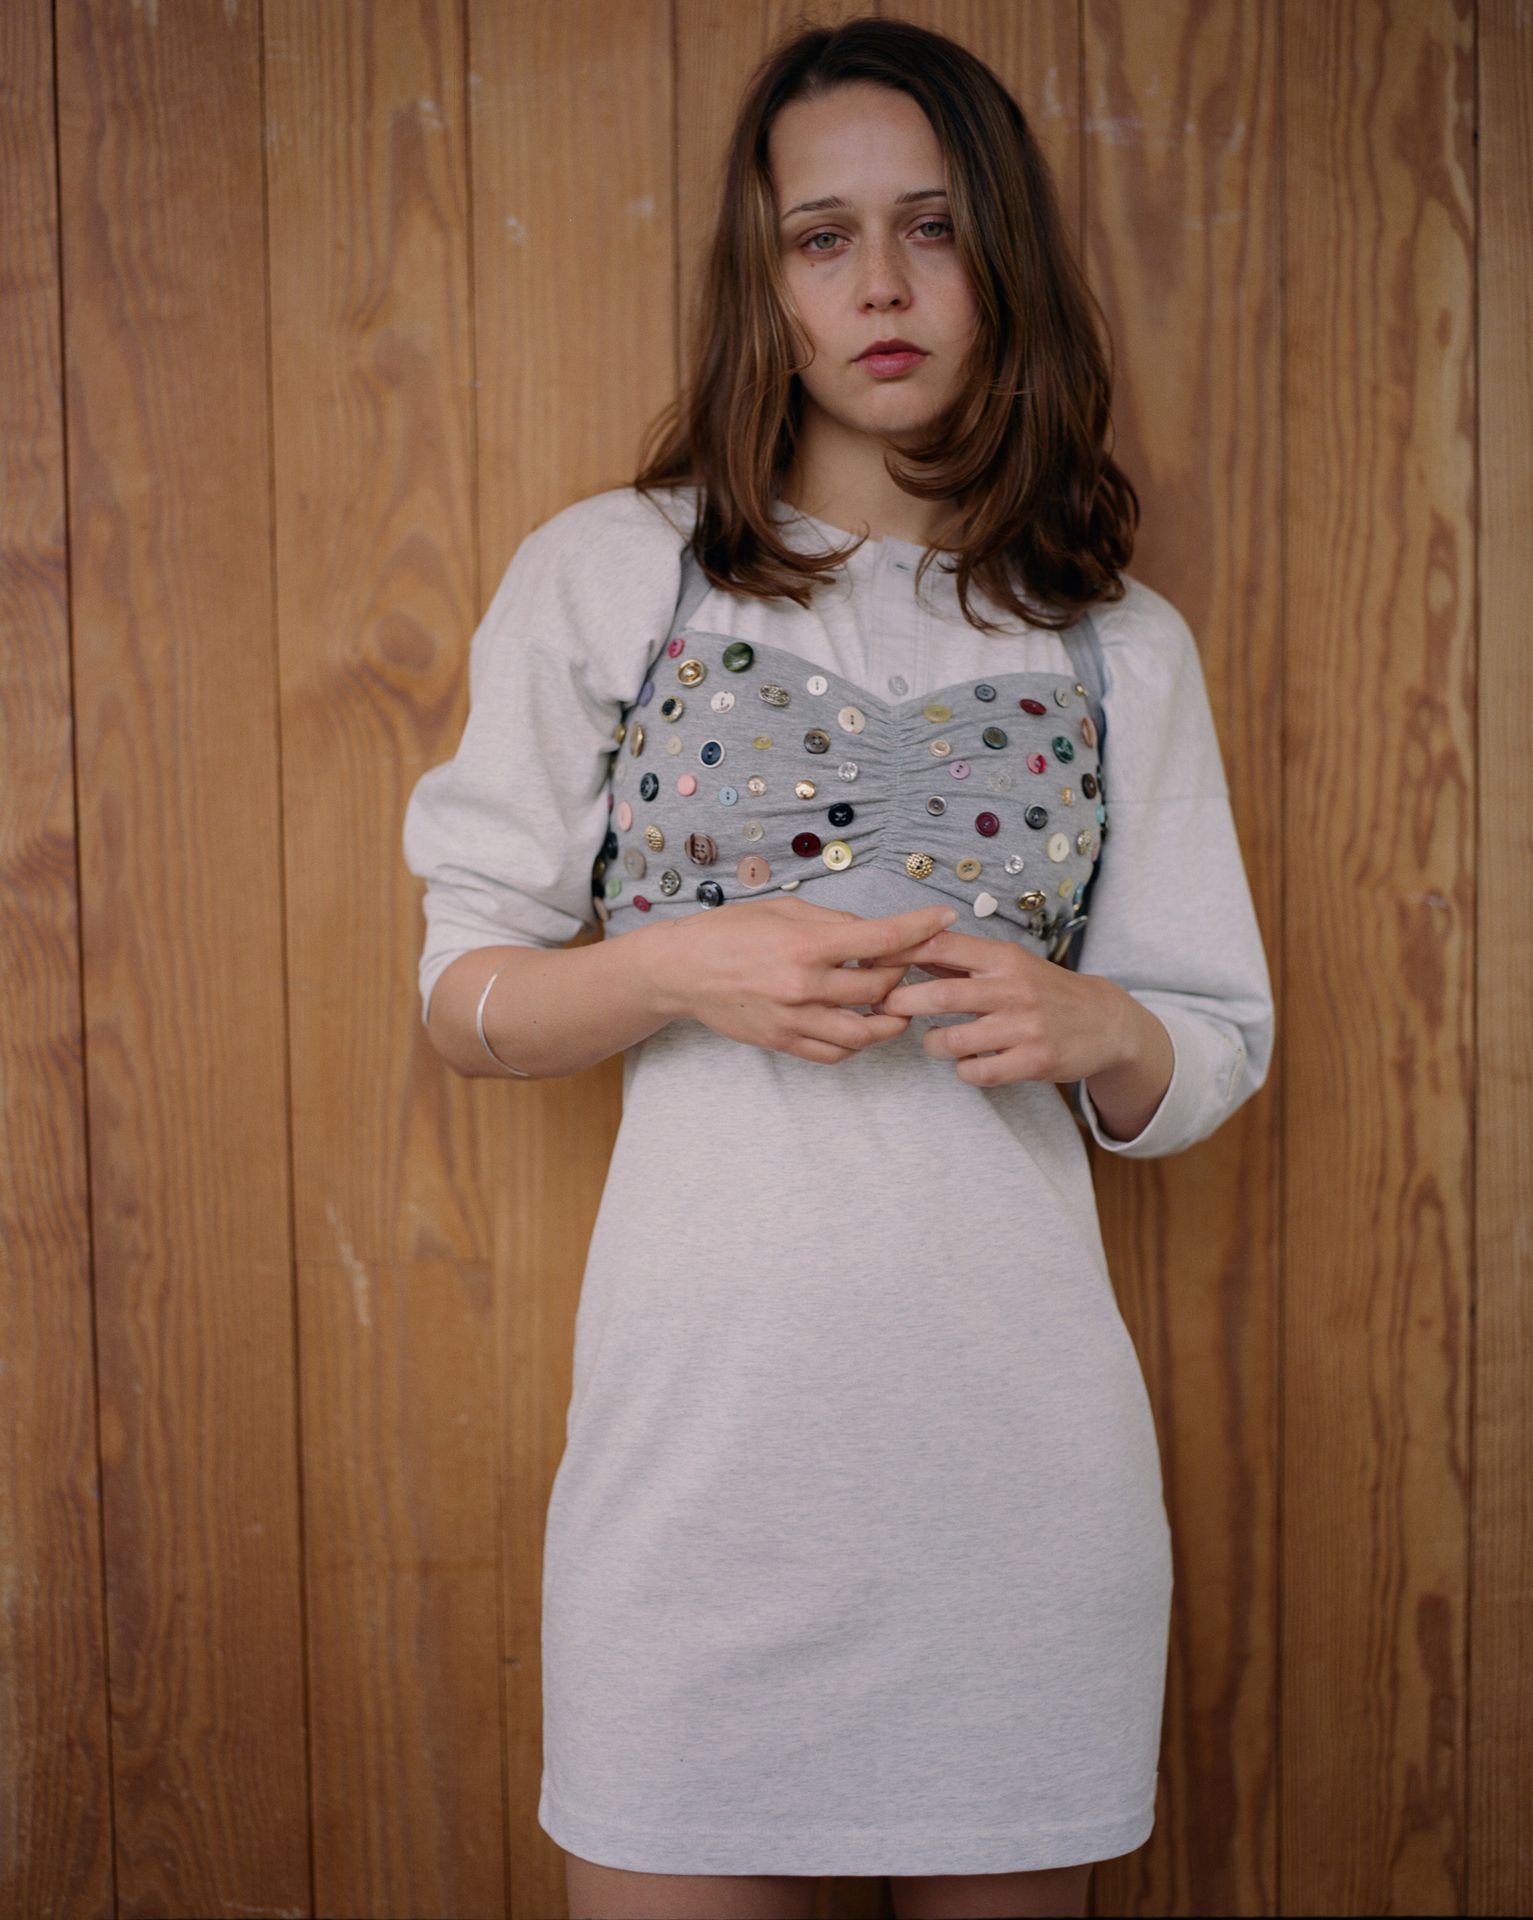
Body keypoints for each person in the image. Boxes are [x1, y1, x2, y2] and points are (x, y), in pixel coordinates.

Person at [402, 16, 1273, 1920]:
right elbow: (462, 994)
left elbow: (1211, 1041)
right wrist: (674, 971)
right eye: (822, 236)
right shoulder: (616, 571)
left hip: (1019, 1489)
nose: (879, 282)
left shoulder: (1115, 641)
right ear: (765, 278)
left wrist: (1098, 1025)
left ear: (1001, 263)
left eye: (931, 227)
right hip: (698, 1478)